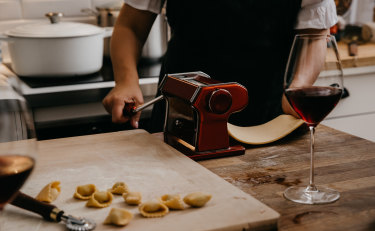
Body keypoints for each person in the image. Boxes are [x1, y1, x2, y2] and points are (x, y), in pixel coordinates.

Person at [102, 0, 338, 132]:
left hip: (270, 120)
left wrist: (299, 86)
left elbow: (315, 34)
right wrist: (125, 82)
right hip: (183, 115)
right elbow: (131, 26)